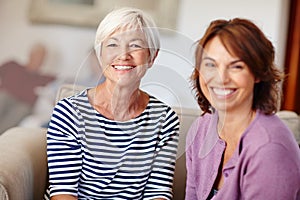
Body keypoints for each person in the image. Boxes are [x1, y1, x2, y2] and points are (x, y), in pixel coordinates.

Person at [44, 7, 180, 200]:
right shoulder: (70, 112)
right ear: (100, 56)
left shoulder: (165, 120)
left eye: (135, 45)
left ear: (152, 56)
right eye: (113, 44)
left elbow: (158, 193)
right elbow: (63, 193)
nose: (123, 55)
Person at [185, 18, 300, 200]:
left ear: (257, 74)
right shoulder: (200, 129)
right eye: (210, 64)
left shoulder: (270, 148)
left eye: (236, 66)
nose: (221, 78)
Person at [0, 43, 55, 133]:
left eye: (42, 58)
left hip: (23, 105)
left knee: (23, 109)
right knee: (3, 97)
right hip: (5, 97)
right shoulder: (12, 65)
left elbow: (62, 87)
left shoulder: (46, 79)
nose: (39, 60)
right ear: (30, 55)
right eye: (37, 56)